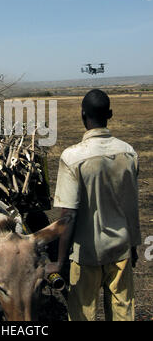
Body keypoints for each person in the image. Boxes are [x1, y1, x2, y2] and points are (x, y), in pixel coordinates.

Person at [45, 89, 141, 321]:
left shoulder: (73, 157)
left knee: (83, 313)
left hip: (87, 253)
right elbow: (131, 206)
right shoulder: (129, 153)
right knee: (123, 310)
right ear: (110, 114)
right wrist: (134, 246)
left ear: (82, 115)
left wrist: (58, 262)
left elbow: (67, 214)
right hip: (121, 249)